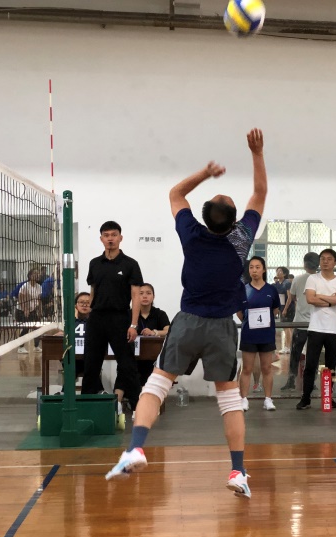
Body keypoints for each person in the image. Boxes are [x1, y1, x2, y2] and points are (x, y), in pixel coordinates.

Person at [105, 128, 267, 500]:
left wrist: (206, 174)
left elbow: (176, 193)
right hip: (223, 327)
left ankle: (137, 447)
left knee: (157, 384)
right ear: (234, 221)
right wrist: (257, 153)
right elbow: (259, 193)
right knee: (229, 399)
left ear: (206, 217)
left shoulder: (191, 234)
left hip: (189, 321)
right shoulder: (241, 239)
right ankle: (238, 471)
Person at [81, 221, 143, 417]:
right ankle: (86, 407)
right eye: (106, 235)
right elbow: (92, 290)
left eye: (114, 235)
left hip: (120, 318)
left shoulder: (130, 264)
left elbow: (136, 296)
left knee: (127, 365)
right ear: (101, 239)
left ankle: (138, 407)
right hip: (97, 319)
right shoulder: (94, 263)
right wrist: (89, 314)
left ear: (120, 238)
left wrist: (133, 324)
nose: (110, 239)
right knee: (91, 364)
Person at [298, 248, 336, 410]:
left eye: (329, 259)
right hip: (316, 328)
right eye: (322, 258)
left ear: (335, 262)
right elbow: (310, 299)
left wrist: (321, 296)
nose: (325, 261)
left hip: (335, 329)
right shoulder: (313, 278)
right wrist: (332, 300)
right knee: (310, 365)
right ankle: (306, 398)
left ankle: (328, 397)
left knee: (331, 366)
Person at [238, 256, 280, 412]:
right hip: (249, 335)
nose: (254, 270)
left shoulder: (271, 290)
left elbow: (275, 310)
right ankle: (243, 399)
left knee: (267, 368)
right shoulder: (243, 290)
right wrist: (250, 323)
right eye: (251, 267)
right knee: (247, 368)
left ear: (263, 270)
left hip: (267, 335)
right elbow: (239, 313)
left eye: (257, 267)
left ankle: (268, 399)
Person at [281, 252, 319, 392]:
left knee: (295, 354)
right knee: (313, 355)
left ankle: (291, 380)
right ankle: (312, 382)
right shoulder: (320, 279)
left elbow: (293, 297)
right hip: (316, 324)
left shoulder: (297, 279)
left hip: (300, 322)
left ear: (304, 264)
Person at [16, 269, 43, 354]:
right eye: (35, 273)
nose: (37, 275)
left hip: (32, 310)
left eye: (38, 273)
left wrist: (40, 310)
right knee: (26, 328)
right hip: (21, 310)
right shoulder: (25, 286)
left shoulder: (39, 287)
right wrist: (25, 309)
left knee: (37, 327)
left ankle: (36, 346)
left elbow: (39, 299)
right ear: (30, 276)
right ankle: (20, 347)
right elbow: (20, 298)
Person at [275, 266, 293, 353]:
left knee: (287, 327)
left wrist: (285, 309)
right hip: (281, 307)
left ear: (285, 274)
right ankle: (288, 346)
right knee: (286, 327)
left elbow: (289, 297)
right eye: (277, 271)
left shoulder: (287, 283)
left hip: (288, 307)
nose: (278, 273)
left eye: (280, 271)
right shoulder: (278, 284)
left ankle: (288, 347)